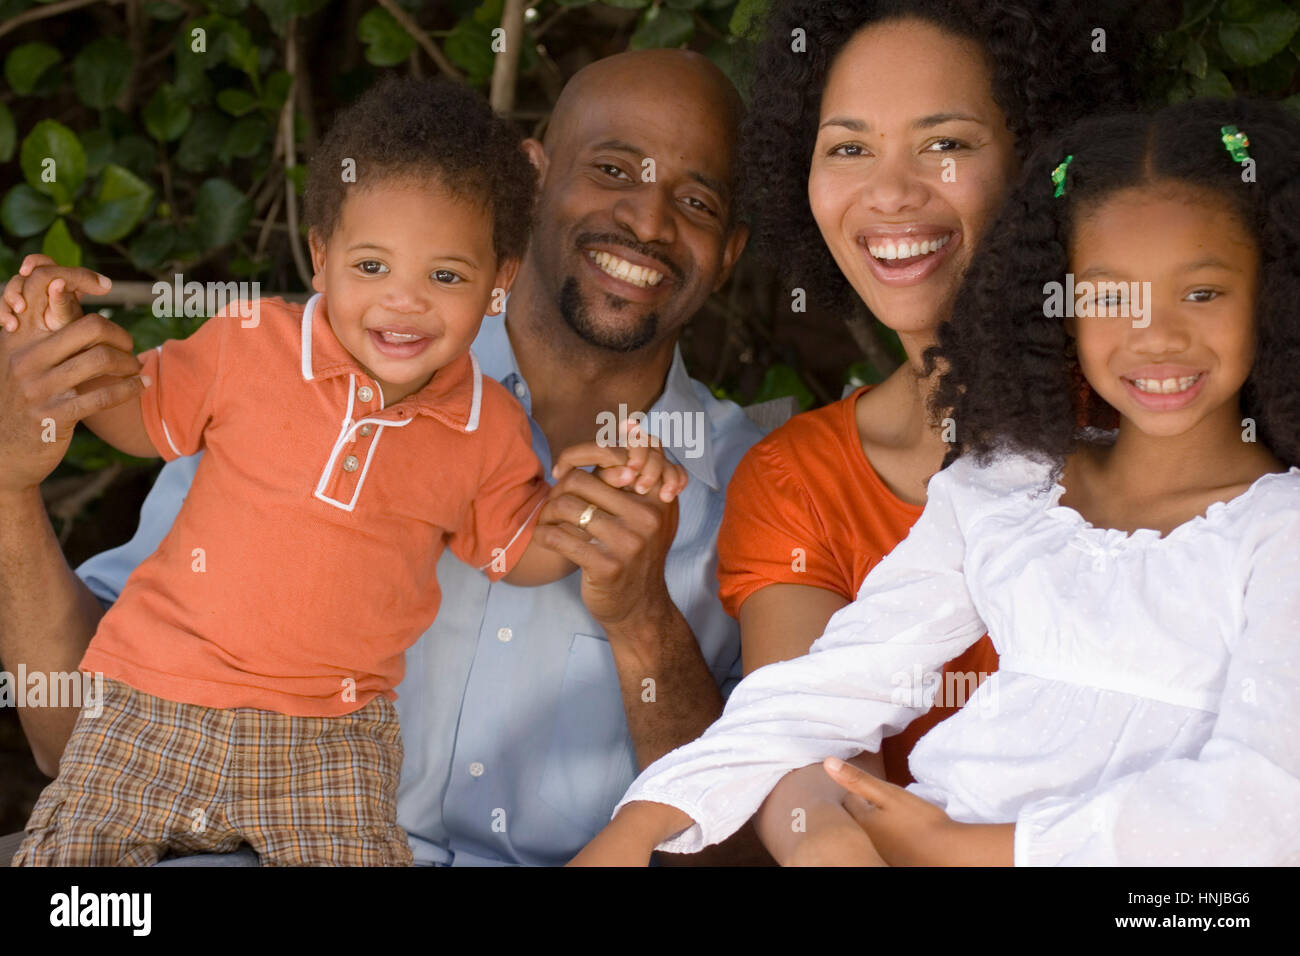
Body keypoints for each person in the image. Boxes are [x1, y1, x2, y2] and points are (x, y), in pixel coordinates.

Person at [0, 49, 765, 866]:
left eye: (693, 200)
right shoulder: (279, 369)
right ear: (533, 178)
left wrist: (643, 618)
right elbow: (74, 735)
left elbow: (743, 851)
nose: (647, 221)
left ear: (729, 251)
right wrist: (11, 478)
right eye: (613, 168)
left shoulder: (755, 488)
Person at [571, 97, 1300, 866]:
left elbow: (1266, 805)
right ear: (1053, 309)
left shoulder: (1280, 536)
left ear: (1275, 299)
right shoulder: (1005, 487)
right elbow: (838, 680)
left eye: (1203, 293)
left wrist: (969, 848)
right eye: (1109, 296)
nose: (1155, 335)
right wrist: (642, 823)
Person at [711, 0, 1150, 863]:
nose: (889, 191)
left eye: (945, 143)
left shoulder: (1172, 412)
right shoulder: (797, 479)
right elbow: (807, 757)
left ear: (1041, 158)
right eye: (847, 148)